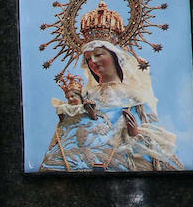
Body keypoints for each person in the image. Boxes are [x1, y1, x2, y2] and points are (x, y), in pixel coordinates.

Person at [76, 36, 184, 172]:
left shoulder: (134, 96)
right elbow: (74, 128)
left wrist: (135, 133)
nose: (93, 61)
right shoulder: (86, 96)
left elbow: (151, 130)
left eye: (98, 55)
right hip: (85, 159)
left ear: (114, 57)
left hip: (123, 159)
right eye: (88, 59)